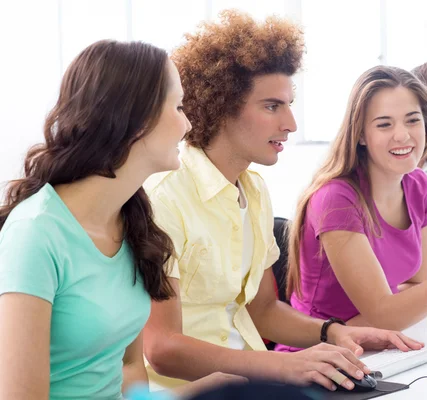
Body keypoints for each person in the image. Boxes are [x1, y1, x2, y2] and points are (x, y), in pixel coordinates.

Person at [143, 10, 422, 393]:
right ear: (221, 105)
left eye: (289, 105)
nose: (290, 123)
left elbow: (262, 311)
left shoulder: (253, 191)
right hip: (192, 391)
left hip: (257, 382)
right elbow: (161, 348)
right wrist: (279, 365)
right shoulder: (165, 199)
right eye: (272, 106)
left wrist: (334, 333)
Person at [0, 39, 244, 399]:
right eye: (177, 107)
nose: (188, 123)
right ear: (136, 119)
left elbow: (129, 369)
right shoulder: (35, 234)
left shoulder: (133, 223)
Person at [278, 66, 427, 353]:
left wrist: (392, 310)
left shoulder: (419, 185)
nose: (402, 135)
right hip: (318, 357)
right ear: (361, 135)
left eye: (412, 120)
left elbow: (419, 282)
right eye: (384, 124)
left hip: (379, 345)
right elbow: (384, 313)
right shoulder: (336, 199)